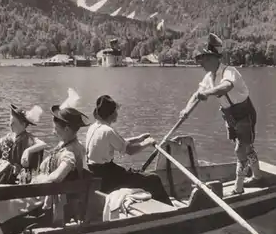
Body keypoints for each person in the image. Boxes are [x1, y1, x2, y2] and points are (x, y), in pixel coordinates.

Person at [0, 98, 88, 234]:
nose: (53, 131)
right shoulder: (66, 144)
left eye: (55, 128)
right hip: (40, 191)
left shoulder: (71, 151)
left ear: (66, 129)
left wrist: (38, 180)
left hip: (46, 197)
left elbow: (58, 176)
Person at [179, 33, 262, 195]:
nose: (201, 63)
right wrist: (186, 111)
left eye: (204, 59)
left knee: (240, 150)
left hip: (244, 114)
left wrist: (208, 93)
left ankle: (238, 188)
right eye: (200, 59)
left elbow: (225, 87)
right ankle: (258, 176)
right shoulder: (208, 77)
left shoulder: (229, 71)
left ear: (214, 58)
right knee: (245, 147)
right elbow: (197, 94)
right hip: (229, 116)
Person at [86, 94, 172, 205]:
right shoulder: (108, 131)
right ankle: (169, 209)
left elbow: (119, 142)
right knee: (153, 179)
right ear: (112, 114)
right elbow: (130, 150)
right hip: (107, 177)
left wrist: (139, 138)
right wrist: (147, 143)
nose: (117, 113)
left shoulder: (94, 127)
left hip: (97, 173)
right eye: (116, 111)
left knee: (137, 175)